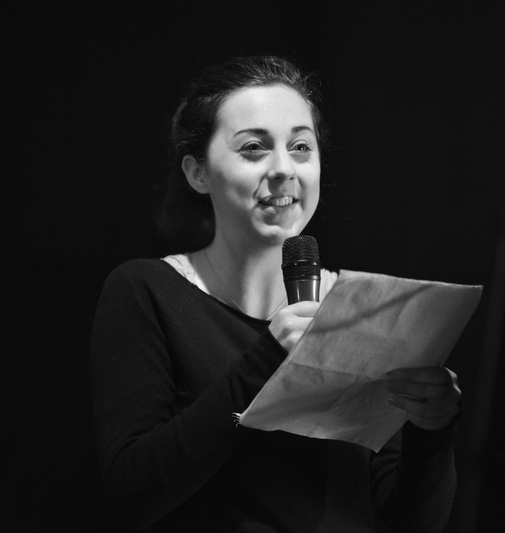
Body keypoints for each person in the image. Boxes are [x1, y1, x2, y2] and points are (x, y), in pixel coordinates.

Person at [90, 55, 461, 532]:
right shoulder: (147, 291)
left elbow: (409, 523)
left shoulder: (363, 309)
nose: (284, 168)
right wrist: (266, 359)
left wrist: (431, 431)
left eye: (301, 147)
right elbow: (132, 492)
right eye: (253, 148)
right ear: (198, 172)